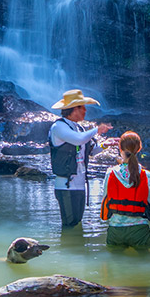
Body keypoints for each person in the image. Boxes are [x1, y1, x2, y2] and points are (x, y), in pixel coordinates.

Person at [48, 89, 111, 228]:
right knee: (69, 225)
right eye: (82, 107)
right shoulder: (58, 127)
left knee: (77, 224)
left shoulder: (79, 129)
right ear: (73, 109)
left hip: (80, 184)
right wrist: (97, 130)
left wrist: (105, 145)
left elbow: (91, 151)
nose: (85, 110)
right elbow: (77, 140)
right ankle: (66, 248)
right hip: (66, 185)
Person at [100, 131, 150, 249]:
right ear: (139, 149)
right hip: (139, 230)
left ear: (120, 149)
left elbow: (105, 199)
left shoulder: (111, 173)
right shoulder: (146, 175)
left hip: (116, 230)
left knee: (114, 265)